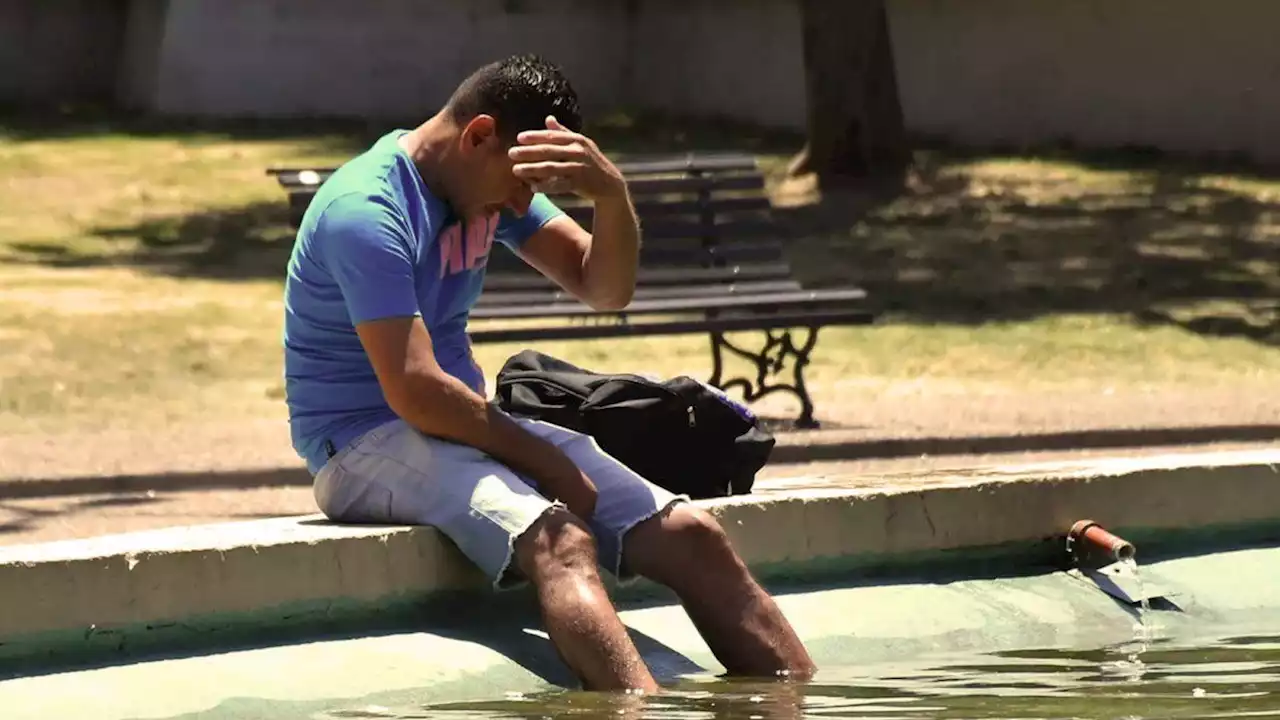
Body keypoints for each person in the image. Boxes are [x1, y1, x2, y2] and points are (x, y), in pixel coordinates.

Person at [281, 53, 815, 692]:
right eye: (522, 181)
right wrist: (551, 464)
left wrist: (610, 195)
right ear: (479, 135)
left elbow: (604, 286)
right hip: (361, 444)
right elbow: (415, 390)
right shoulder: (366, 210)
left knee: (693, 536)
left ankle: (801, 702)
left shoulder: (487, 185)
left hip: (456, 430)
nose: (524, 200)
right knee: (561, 540)